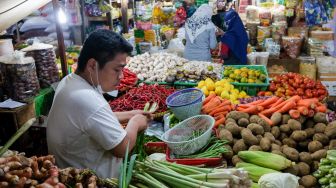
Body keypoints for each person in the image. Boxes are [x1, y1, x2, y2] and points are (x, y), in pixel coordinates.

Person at [46, 29, 151, 178]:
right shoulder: (87, 99)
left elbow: (90, 119)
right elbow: (122, 148)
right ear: (92, 65)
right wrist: (135, 122)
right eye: (117, 70)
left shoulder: (70, 81)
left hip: (70, 171)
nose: (121, 77)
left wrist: (131, 114)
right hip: (94, 181)